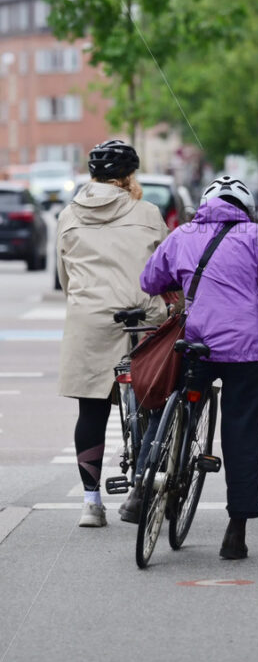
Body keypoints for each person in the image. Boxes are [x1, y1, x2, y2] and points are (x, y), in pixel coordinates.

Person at [140, 174, 258, 559]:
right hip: (246, 348)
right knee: (242, 434)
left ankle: (142, 487)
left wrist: (177, 291)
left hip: (194, 342)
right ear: (244, 209)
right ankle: (236, 531)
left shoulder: (182, 235)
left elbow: (149, 280)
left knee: (172, 406)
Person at [57, 140, 169, 528]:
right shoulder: (149, 212)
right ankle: (145, 483)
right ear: (129, 178)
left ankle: (91, 502)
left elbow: (64, 277)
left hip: (90, 319)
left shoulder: (68, 214)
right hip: (143, 317)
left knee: (91, 409)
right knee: (156, 400)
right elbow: (166, 267)